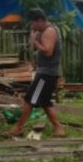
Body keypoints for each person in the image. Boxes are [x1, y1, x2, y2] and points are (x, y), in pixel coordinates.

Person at [10, 9, 65, 137]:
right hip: (46, 72)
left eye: (33, 23)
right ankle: (59, 129)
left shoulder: (49, 31)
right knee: (44, 101)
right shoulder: (45, 30)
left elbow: (48, 51)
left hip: (47, 74)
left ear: (40, 21)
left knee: (30, 99)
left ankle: (18, 128)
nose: (32, 26)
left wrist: (34, 41)